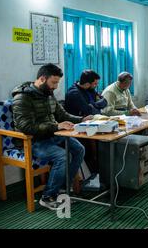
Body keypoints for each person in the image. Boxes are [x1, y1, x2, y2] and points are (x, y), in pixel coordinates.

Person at [12, 64, 92, 210]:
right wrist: (56, 127)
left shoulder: (48, 93)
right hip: (33, 141)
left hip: (51, 135)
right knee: (62, 156)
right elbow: (26, 127)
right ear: (42, 79)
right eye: (53, 82)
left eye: (57, 83)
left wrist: (82, 120)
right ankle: (47, 197)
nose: (55, 87)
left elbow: (62, 115)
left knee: (79, 149)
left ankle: (61, 188)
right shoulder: (22, 98)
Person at [65, 70, 107, 188]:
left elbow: (104, 101)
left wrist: (94, 105)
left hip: (90, 122)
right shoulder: (74, 93)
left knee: (103, 141)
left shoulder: (89, 89)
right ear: (87, 83)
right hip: (75, 127)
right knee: (91, 148)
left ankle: (101, 174)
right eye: (95, 84)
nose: (96, 86)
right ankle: (91, 177)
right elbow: (88, 110)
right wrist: (95, 105)